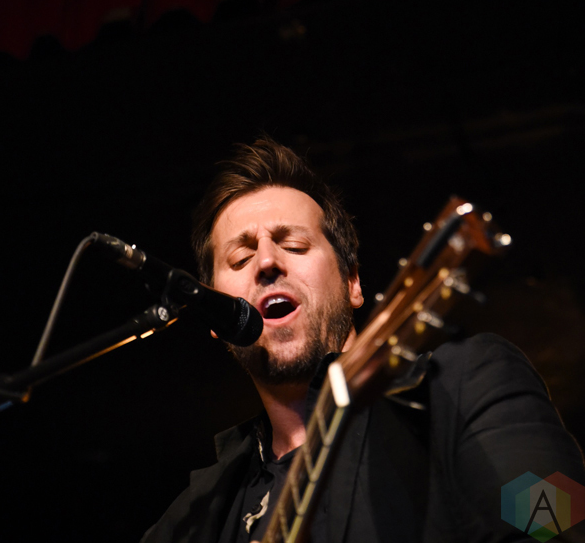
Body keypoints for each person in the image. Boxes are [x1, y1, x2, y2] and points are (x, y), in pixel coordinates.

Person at [141, 137, 585, 543]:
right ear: (215, 317)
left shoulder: (465, 384)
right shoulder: (195, 517)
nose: (267, 262)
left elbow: (560, 525)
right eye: (240, 258)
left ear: (352, 282)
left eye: (294, 245)